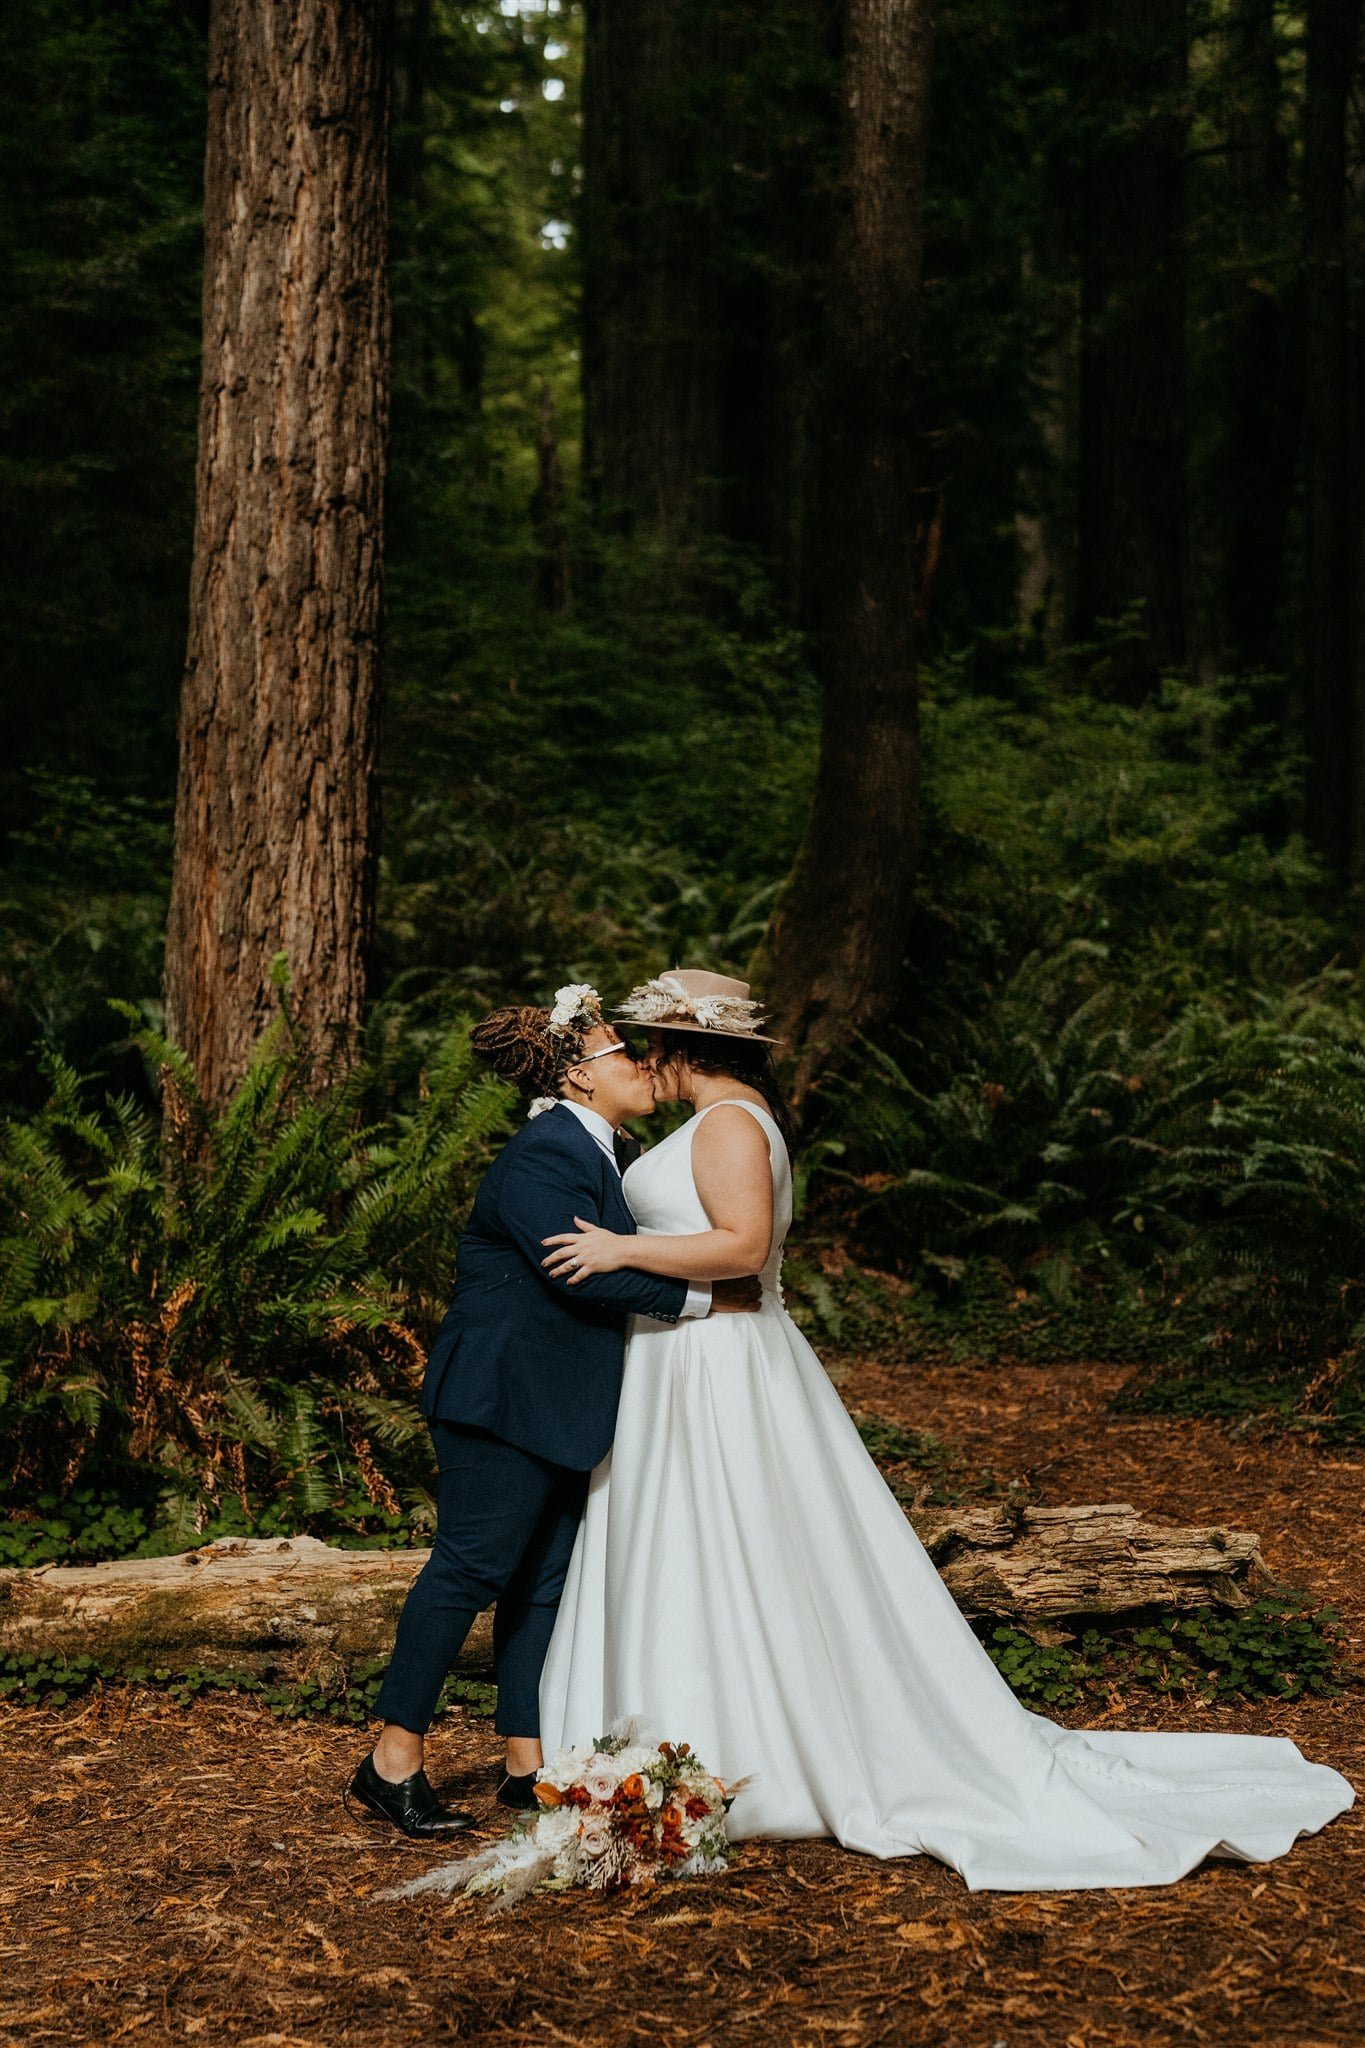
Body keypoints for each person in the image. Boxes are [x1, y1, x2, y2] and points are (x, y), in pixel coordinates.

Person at [536, 968, 1355, 1891]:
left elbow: (744, 1247)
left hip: (718, 1364)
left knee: (735, 1539)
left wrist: (619, 1248)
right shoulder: (728, 1116)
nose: (644, 1056)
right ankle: (715, 1722)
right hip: (686, 1358)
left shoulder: (728, 1123)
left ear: (687, 1045)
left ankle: (752, 1738)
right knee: (706, 1547)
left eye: (652, 1038)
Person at [348, 983, 760, 1839]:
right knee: (467, 1569)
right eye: (623, 1052)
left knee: (540, 1587)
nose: (644, 1064)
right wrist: (704, 1301)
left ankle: (522, 1761)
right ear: (577, 1075)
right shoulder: (543, 1154)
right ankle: (392, 1762)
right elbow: (583, 1269)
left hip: (560, 1403)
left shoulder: (600, 1147)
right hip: (500, 1397)